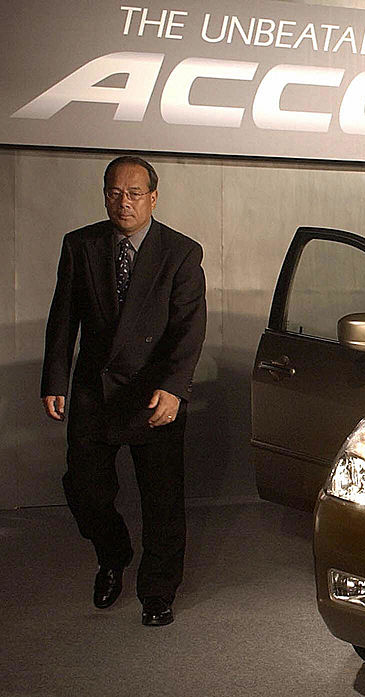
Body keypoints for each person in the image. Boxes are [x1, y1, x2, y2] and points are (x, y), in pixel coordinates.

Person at [41, 155, 206, 627]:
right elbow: (62, 320)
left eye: (135, 193)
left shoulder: (180, 252)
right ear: (105, 194)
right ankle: (113, 554)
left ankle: (157, 591)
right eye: (115, 192)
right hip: (94, 391)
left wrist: (174, 389)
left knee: (162, 502)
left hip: (154, 394)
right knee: (85, 490)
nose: (124, 202)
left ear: (154, 197)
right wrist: (56, 380)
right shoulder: (81, 245)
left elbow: (189, 330)